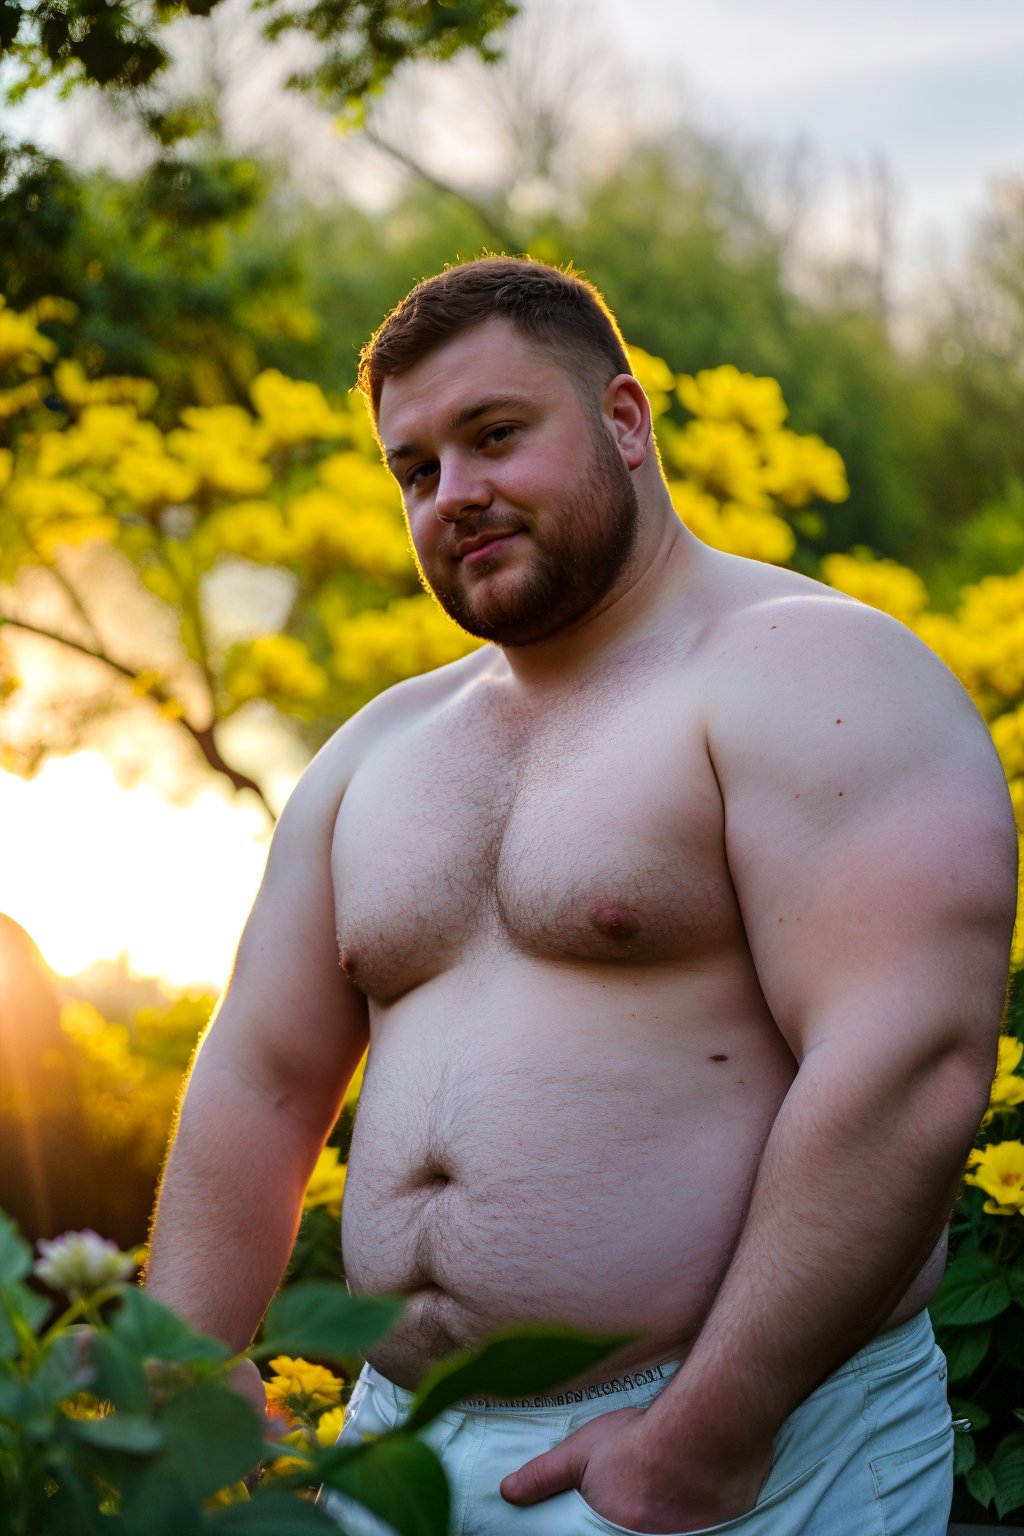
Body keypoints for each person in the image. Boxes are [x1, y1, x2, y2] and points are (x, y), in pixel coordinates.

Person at [145, 257, 1018, 1536]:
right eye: (415, 470)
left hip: (744, 1456)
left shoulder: (815, 671)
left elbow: (909, 1064)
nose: (456, 494)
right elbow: (263, 1073)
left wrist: (709, 1434)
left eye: (494, 435)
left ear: (623, 422)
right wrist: (186, 1358)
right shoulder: (375, 751)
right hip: (400, 1452)